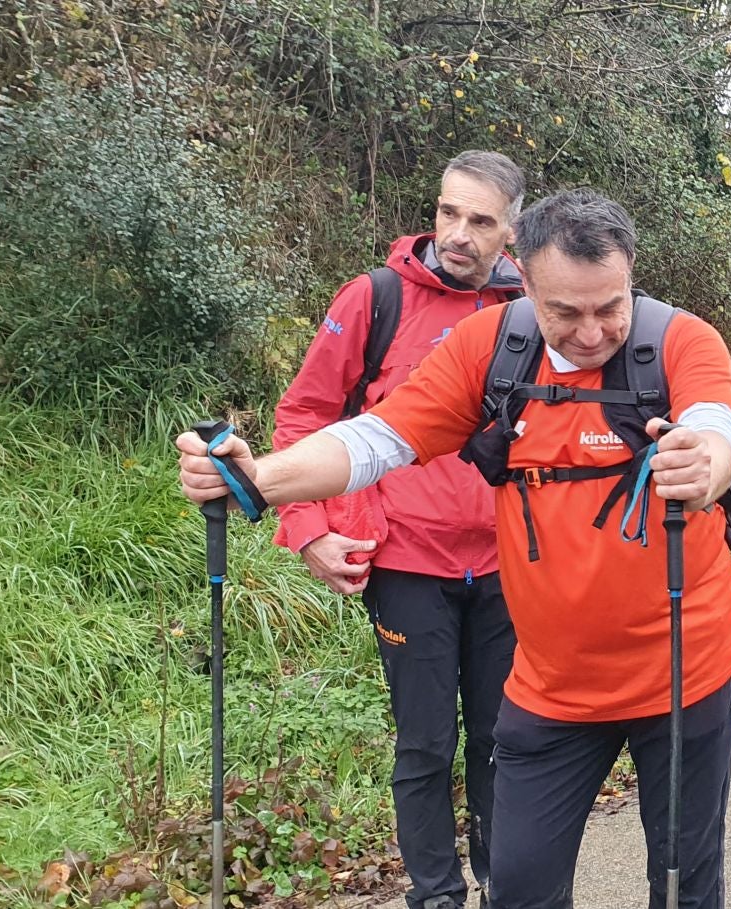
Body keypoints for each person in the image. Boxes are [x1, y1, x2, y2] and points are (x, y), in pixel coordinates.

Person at [179, 190, 731, 909]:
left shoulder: (680, 341)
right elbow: (379, 438)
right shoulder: (493, 349)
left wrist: (706, 465)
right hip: (551, 685)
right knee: (517, 889)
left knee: (685, 885)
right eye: (565, 312)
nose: (591, 332)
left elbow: (717, 426)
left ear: (630, 274)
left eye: (610, 306)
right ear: (525, 281)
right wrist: (260, 479)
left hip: (684, 672)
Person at [269, 150, 524, 909]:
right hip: (408, 560)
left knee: (503, 738)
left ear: (511, 231)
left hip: (510, 561)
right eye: (449, 212)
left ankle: (504, 883)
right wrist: (308, 529)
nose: (459, 233)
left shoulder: (530, 308)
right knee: (425, 742)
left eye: (481, 220)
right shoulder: (375, 298)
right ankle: (436, 894)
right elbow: (305, 415)